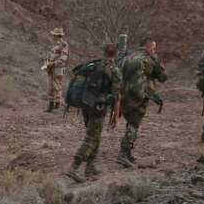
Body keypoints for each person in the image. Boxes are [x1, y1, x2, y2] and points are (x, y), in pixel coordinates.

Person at [65, 43, 122, 182]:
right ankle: (73, 167)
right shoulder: (114, 70)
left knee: (94, 135)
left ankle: (90, 167)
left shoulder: (94, 65)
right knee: (91, 138)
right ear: (115, 55)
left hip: (85, 104)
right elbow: (117, 96)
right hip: (98, 107)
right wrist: (116, 116)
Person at [117, 37, 167, 167]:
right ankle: (123, 153)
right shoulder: (150, 58)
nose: (154, 50)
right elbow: (163, 77)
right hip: (139, 96)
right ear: (149, 47)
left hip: (122, 97)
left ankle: (128, 153)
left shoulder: (127, 57)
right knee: (134, 124)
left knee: (130, 123)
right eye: (154, 48)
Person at [44, 27, 69, 112]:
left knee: (57, 86)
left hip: (58, 69)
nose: (53, 36)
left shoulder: (63, 44)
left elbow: (63, 58)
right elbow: (50, 55)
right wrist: (47, 63)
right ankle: (50, 105)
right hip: (51, 68)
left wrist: (53, 63)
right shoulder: (54, 44)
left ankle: (57, 105)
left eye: (54, 35)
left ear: (58, 35)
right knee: (50, 86)